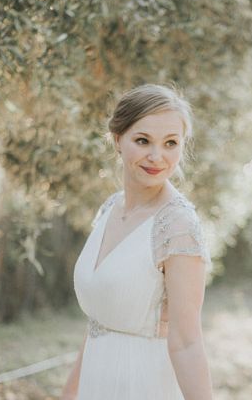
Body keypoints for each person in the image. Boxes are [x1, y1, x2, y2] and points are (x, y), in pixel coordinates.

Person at [60, 84, 213, 400]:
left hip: (144, 385)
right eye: (143, 140)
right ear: (118, 140)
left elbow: (187, 341)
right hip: (95, 383)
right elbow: (99, 323)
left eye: (171, 143)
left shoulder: (177, 224)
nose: (157, 157)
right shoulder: (109, 208)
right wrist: (69, 393)